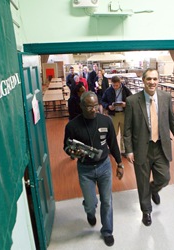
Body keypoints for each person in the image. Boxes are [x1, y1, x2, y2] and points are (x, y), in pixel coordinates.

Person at [123, 68, 174, 226]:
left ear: (158, 80)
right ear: (143, 80)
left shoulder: (165, 97)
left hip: (160, 146)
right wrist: (129, 150)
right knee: (142, 182)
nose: (152, 82)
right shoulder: (132, 101)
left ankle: (154, 189)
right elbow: (127, 129)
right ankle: (146, 211)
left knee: (164, 178)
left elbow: (172, 121)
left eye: (155, 79)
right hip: (141, 148)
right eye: (149, 79)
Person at [63, 91, 124, 247]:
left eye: (95, 105)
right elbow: (66, 147)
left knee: (107, 201)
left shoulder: (106, 121)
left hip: (104, 167)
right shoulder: (72, 126)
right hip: (85, 169)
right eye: (89, 106)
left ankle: (107, 231)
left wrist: (119, 163)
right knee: (91, 203)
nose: (93, 109)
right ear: (81, 106)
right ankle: (89, 211)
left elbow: (113, 144)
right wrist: (72, 152)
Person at [102, 75, 132, 154]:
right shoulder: (108, 91)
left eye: (116, 85)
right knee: (113, 133)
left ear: (120, 83)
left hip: (124, 114)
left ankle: (124, 150)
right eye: (113, 85)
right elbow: (103, 101)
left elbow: (132, 100)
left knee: (124, 134)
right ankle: (113, 149)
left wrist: (126, 104)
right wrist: (108, 106)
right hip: (113, 115)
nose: (115, 87)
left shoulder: (126, 90)